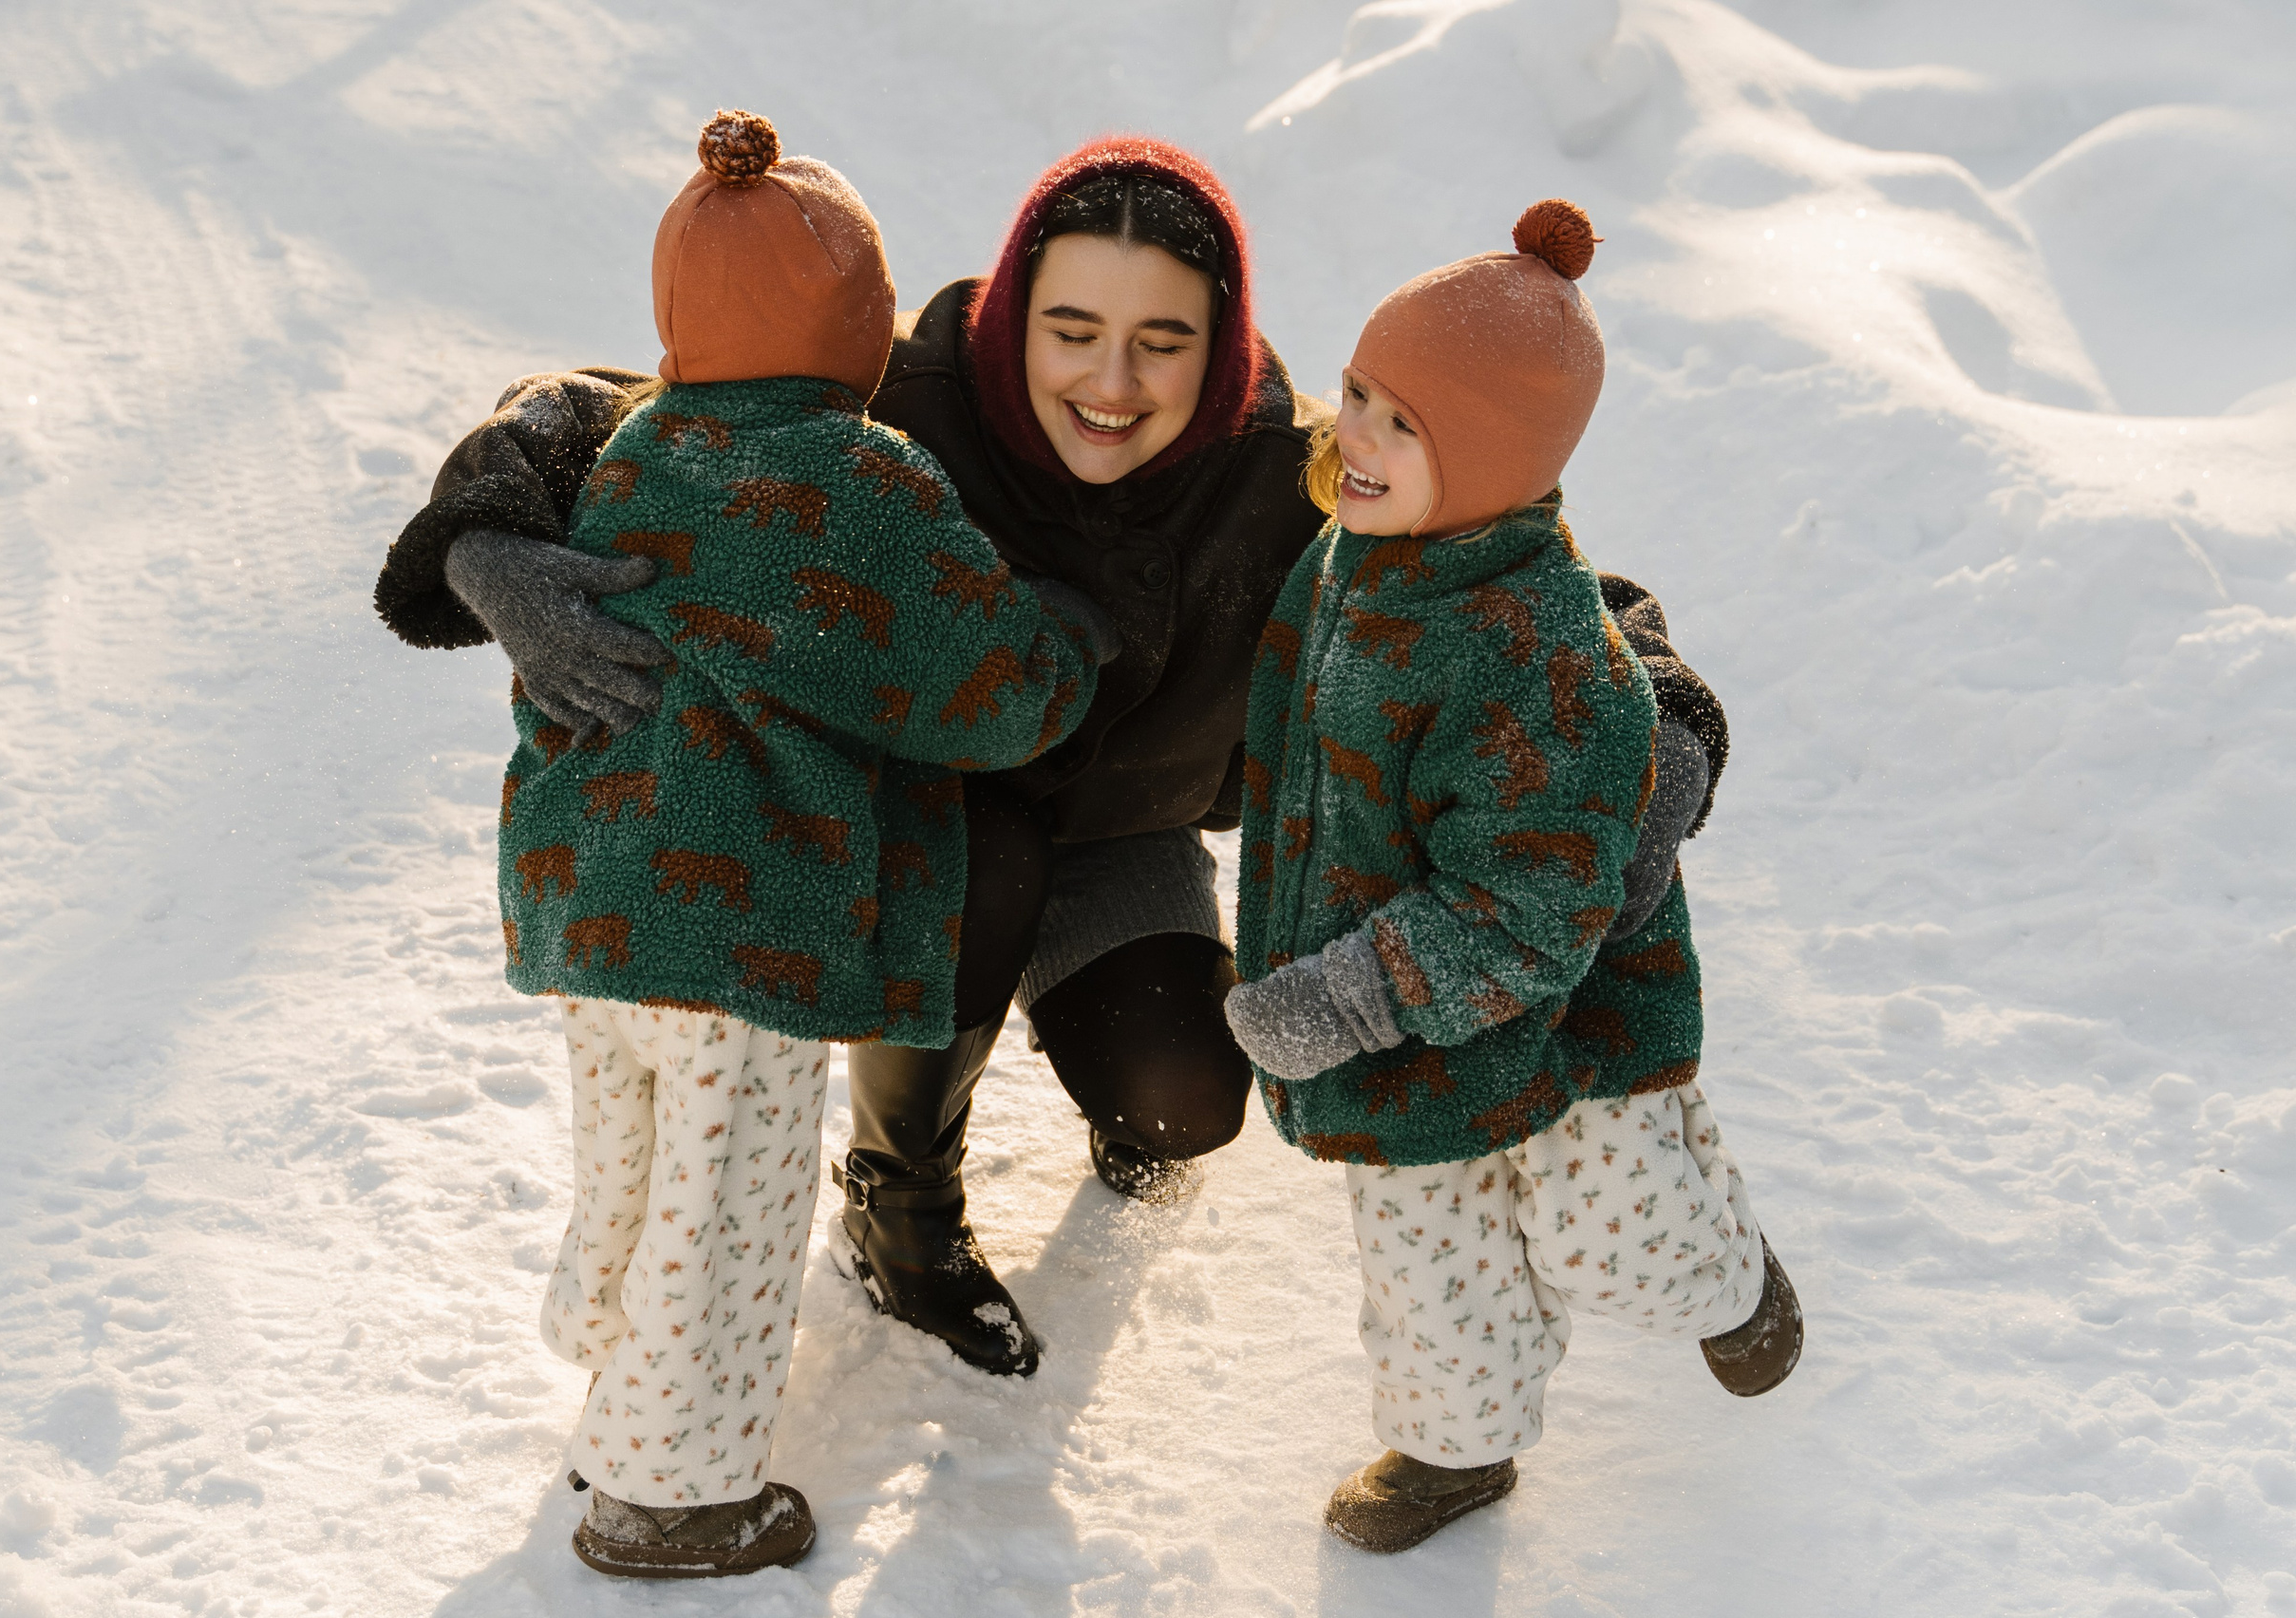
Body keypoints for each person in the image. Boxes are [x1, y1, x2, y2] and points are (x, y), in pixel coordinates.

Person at [372, 139, 1733, 1382]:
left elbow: (1527, 582)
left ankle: (1116, 1083)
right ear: (1018, 312)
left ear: (1225, 345)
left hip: (1122, 832)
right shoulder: (890, 404)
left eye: (1165, 341)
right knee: (985, 879)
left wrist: (1661, 718)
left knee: (1188, 1102)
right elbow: (602, 405)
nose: (1111, 381)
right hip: (908, 827)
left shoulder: (1293, 468)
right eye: (1070, 330)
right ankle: (898, 1203)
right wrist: (486, 542)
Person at [482, 110, 1106, 1579]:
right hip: (744, 931)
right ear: (862, 326)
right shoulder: (860, 481)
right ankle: (675, 1493)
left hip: (589, 898)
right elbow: (983, 690)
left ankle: (614, 1381)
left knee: (628, 1158)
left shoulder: (632, 452)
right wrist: (1065, 645)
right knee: (732, 1198)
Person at [1219, 201, 1802, 1555]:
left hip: (1567, 1025)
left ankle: (1725, 1276)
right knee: (1425, 1250)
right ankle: (1455, 1448)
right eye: (1357, 393)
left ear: (1491, 458)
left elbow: (1527, 911)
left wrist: (1348, 997)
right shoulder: (1354, 554)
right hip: (1405, 1036)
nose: (1350, 433)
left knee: (1615, 1237)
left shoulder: (1536, 655)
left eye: (1400, 421)